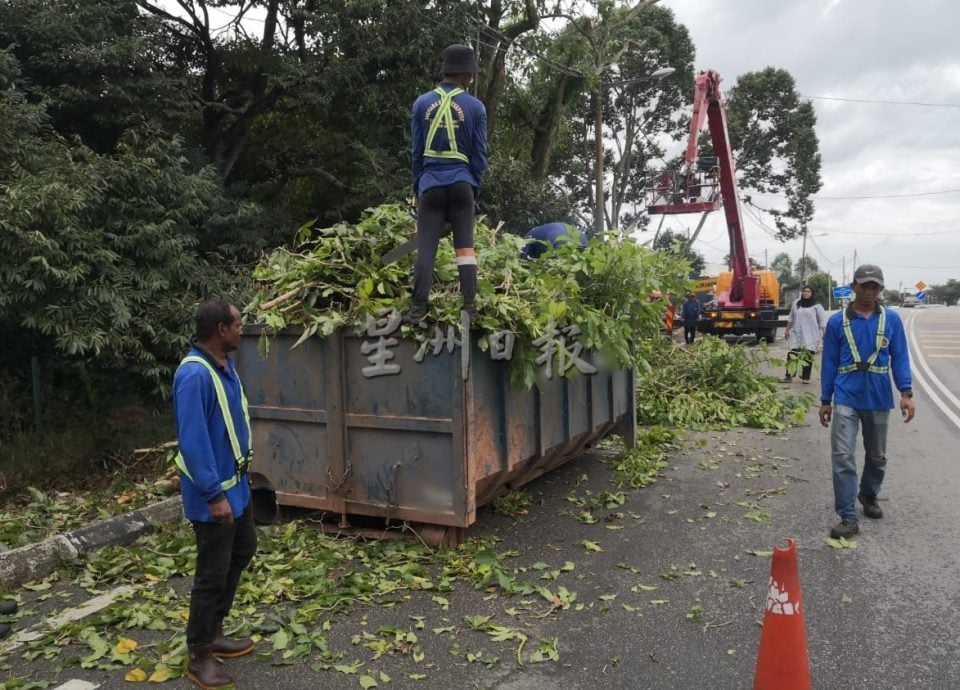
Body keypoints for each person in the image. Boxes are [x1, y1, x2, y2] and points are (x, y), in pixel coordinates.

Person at [173, 299, 257, 689]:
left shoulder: (225, 366)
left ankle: (215, 630)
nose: (242, 330)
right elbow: (193, 441)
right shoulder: (194, 375)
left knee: (242, 551)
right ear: (221, 329)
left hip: (235, 487)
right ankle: (199, 655)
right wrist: (213, 494)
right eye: (238, 324)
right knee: (211, 575)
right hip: (214, 496)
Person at [819, 265, 915, 539]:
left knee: (877, 455)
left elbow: (900, 357)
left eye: (876, 286)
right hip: (846, 396)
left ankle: (869, 494)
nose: (871, 291)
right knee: (842, 456)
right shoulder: (838, 322)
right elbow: (829, 363)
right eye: (866, 286)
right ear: (854, 286)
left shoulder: (891, 320)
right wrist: (826, 400)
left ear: (881, 289)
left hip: (878, 396)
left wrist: (906, 393)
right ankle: (848, 516)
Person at [405, 44, 488, 324]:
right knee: (465, 248)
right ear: (465, 74)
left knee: (426, 248)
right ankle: (469, 307)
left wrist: (418, 188)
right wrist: (472, 187)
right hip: (462, 183)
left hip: (430, 184)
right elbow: (479, 155)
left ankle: (418, 310)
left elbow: (417, 153)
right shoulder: (475, 107)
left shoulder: (420, 103)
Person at [782, 285, 827, 383]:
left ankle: (805, 377)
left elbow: (822, 321)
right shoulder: (796, 303)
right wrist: (787, 329)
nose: (806, 293)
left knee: (807, 355)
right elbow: (791, 317)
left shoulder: (817, 306)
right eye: (804, 291)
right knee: (792, 354)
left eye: (808, 291)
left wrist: (825, 333)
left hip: (810, 335)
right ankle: (788, 376)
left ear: (812, 293)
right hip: (796, 334)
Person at [520, 222, 587, 259]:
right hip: (581, 237)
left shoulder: (528, 238)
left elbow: (524, 259)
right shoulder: (534, 234)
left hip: (556, 236)